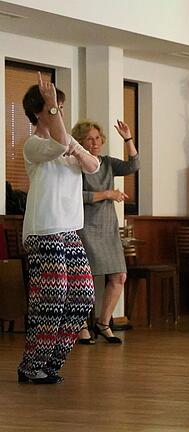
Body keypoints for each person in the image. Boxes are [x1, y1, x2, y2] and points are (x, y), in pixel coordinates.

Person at [17, 74, 100, 384]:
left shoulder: (69, 143)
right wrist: (52, 109)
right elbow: (60, 143)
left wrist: (79, 152)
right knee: (52, 297)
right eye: (55, 108)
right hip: (44, 228)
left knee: (82, 296)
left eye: (61, 106)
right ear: (40, 112)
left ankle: (52, 362)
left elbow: (94, 166)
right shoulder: (33, 145)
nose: (60, 112)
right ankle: (31, 365)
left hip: (69, 229)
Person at [72, 119, 139, 344]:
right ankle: (81, 325)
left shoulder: (107, 163)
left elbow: (133, 166)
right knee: (85, 279)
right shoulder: (75, 164)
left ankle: (103, 323)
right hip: (85, 226)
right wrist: (107, 194)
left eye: (98, 138)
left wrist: (128, 139)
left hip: (108, 227)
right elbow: (76, 196)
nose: (95, 143)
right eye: (89, 139)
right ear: (80, 142)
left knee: (119, 276)